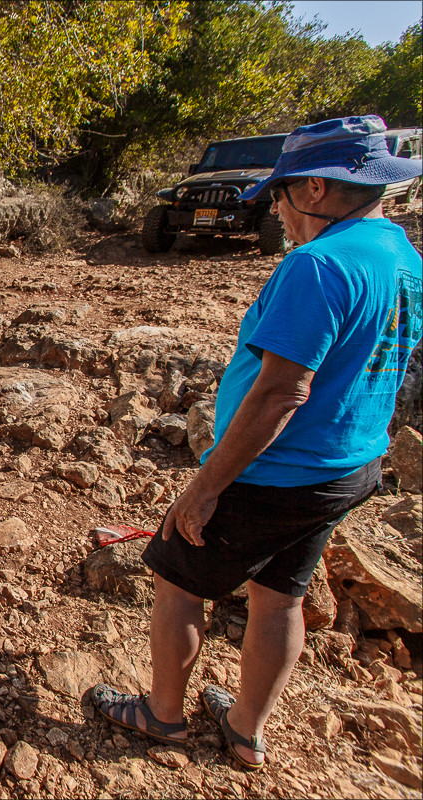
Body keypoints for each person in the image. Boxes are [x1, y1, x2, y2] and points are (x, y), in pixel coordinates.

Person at [89, 115, 423, 771]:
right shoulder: (403, 256)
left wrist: (205, 487)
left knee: (178, 583)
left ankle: (162, 715)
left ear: (317, 188)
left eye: (281, 191)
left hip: (274, 472)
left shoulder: (319, 266)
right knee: (281, 596)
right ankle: (246, 731)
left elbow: (279, 393)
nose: (276, 207)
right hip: (348, 465)